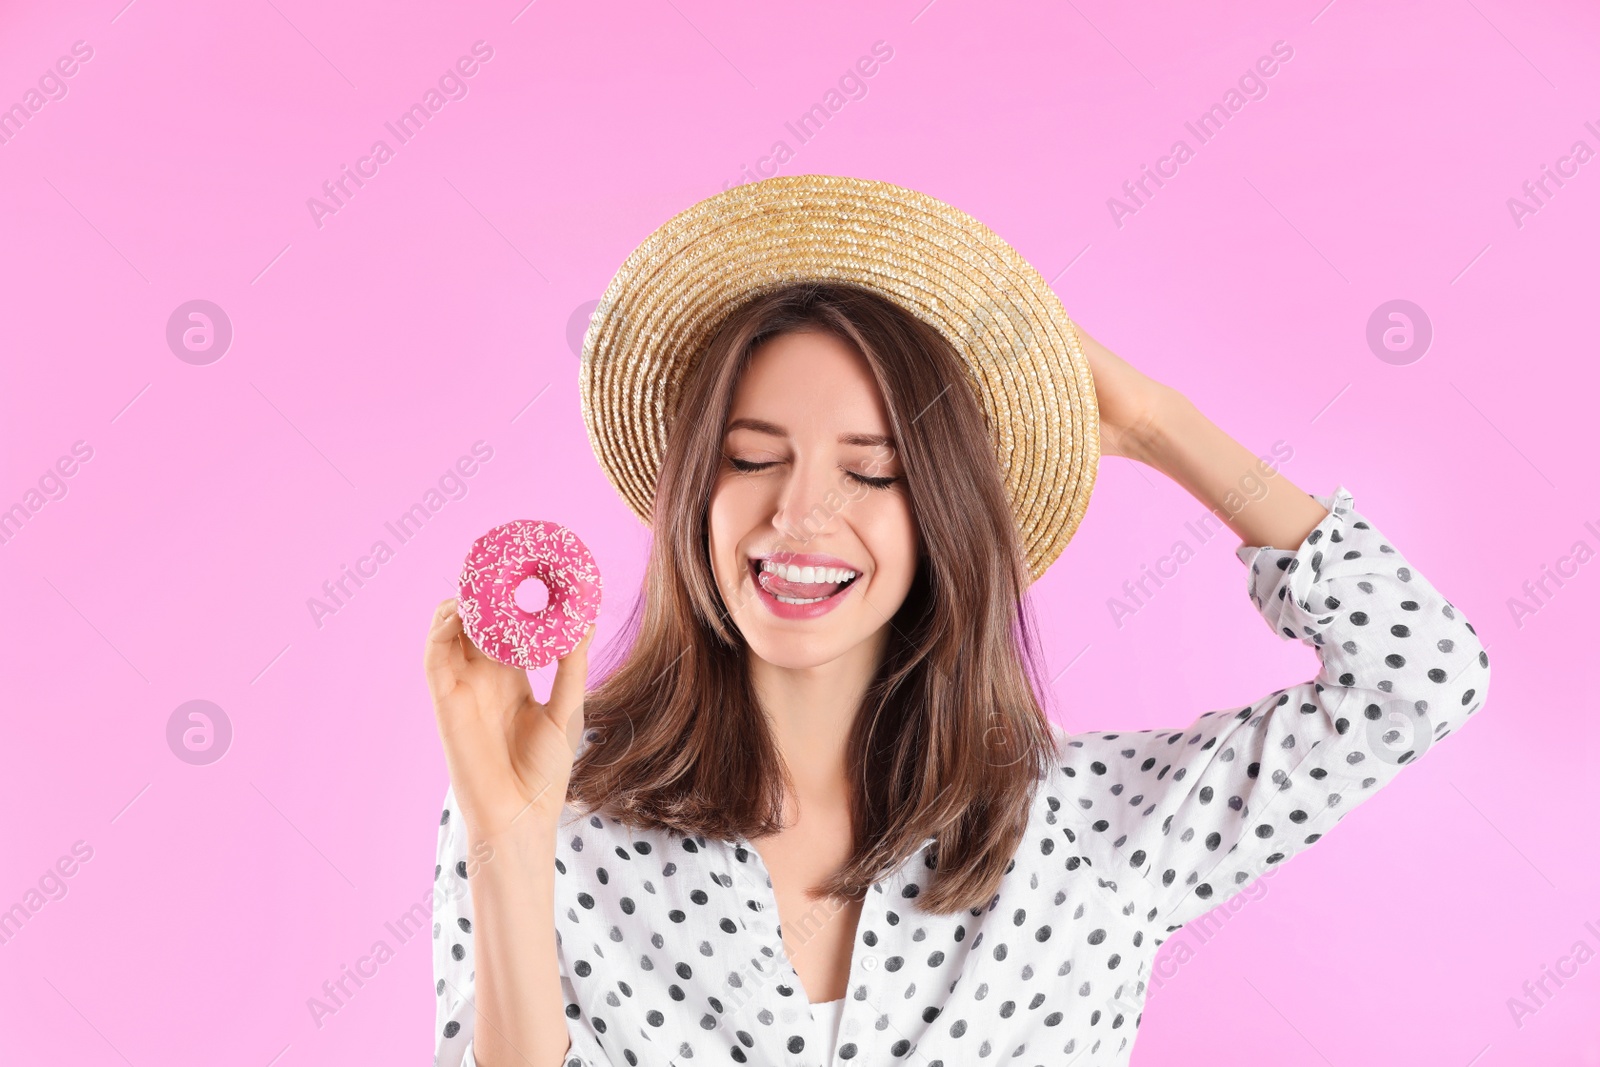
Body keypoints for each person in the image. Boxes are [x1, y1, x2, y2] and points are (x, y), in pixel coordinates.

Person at [427, 178, 1491, 1067]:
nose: (799, 514)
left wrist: (1155, 424)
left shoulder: (1086, 825)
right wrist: (508, 846)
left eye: (872, 469)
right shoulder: (551, 792)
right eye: (751, 458)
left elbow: (1421, 676)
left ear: (939, 509)